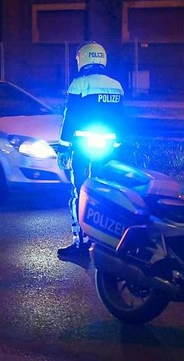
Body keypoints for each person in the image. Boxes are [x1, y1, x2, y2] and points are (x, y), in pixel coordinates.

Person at [56, 41, 125, 259]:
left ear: (83, 59)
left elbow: (70, 119)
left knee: (80, 193)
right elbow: (122, 122)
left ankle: (81, 245)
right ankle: (107, 241)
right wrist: (117, 148)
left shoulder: (79, 84)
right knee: (106, 194)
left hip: (83, 150)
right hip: (108, 152)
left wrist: (62, 148)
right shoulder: (116, 85)